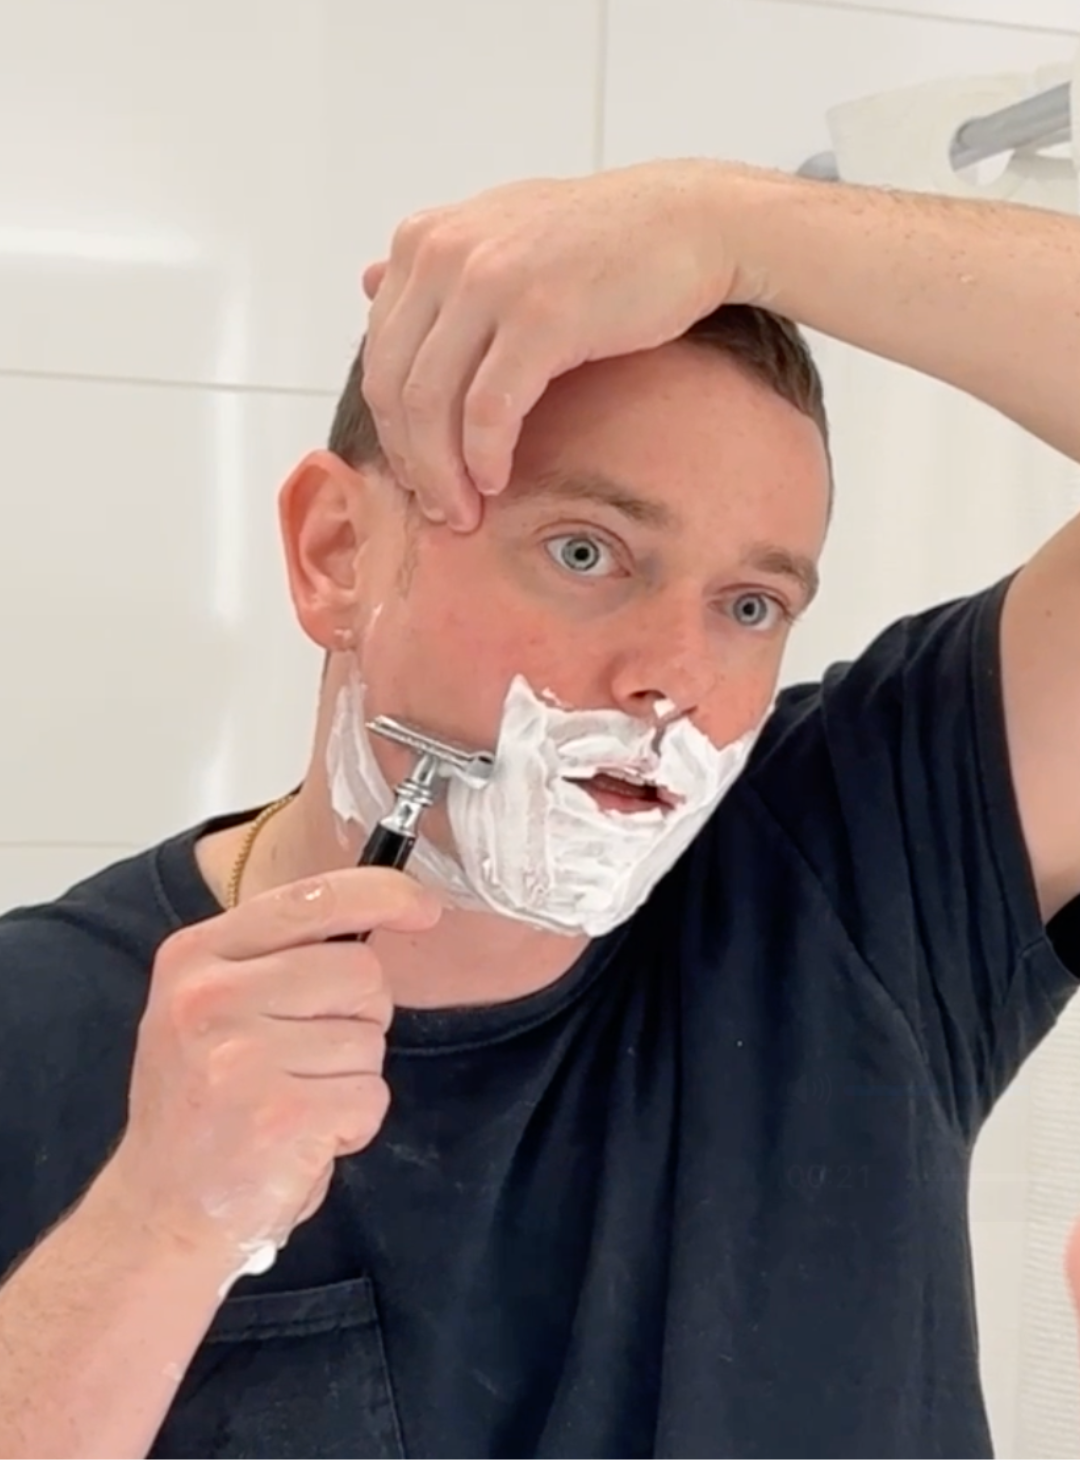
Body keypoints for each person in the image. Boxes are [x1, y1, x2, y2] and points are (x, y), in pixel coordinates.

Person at [0, 156, 1077, 1460]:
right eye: (585, 552)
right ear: (337, 553)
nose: (672, 679)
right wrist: (156, 1229)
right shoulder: (33, 1029)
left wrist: (728, 224)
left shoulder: (867, 865)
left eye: (749, 606)